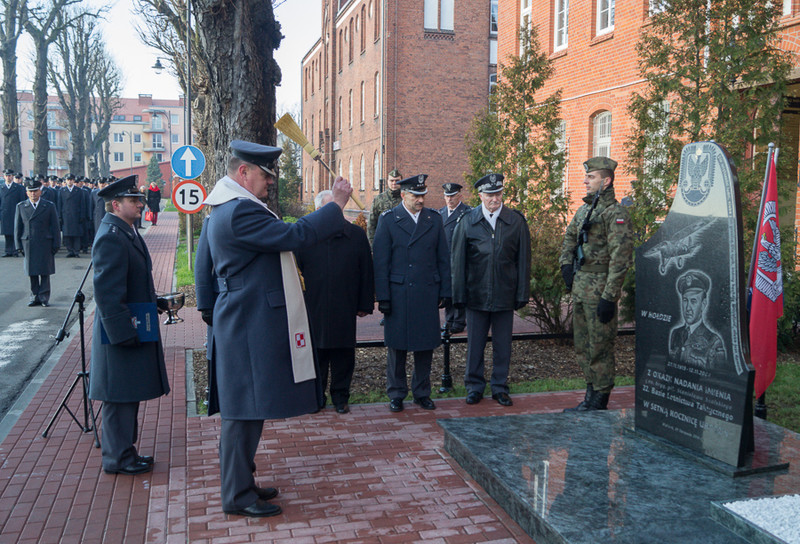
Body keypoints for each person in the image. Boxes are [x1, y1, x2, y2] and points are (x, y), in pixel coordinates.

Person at [195, 140, 353, 518]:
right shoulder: (239, 212)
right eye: (265, 175)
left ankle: (243, 483)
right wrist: (335, 206)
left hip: (241, 320)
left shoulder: (224, 207)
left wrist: (209, 309)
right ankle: (236, 495)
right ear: (243, 172)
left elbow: (205, 264)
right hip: (247, 323)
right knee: (241, 414)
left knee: (248, 409)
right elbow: (294, 235)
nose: (270, 182)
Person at [89, 175, 170, 475]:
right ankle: (117, 459)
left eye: (138, 199)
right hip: (118, 332)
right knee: (118, 398)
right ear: (115, 205)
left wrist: (157, 302)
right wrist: (124, 334)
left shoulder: (126, 231)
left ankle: (126, 453)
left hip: (128, 325)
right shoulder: (112, 236)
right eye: (133, 200)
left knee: (127, 395)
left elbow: (132, 282)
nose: (139, 203)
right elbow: (108, 295)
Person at [559, 157, 634, 411]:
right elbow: (569, 238)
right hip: (581, 288)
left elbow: (620, 258)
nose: (585, 181)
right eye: (586, 177)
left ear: (607, 180)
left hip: (600, 290)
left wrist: (609, 297)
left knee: (600, 346)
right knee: (583, 345)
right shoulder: (584, 210)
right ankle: (589, 397)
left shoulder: (616, 214)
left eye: (591, 177)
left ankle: (599, 402)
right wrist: (566, 266)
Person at [451, 173, 531, 407]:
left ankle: (499, 387)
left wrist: (522, 293)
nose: (494, 198)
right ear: (480, 195)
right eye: (489, 194)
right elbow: (458, 262)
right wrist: (459, 294)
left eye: (497, 193)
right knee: (474, 344)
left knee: (503, 345)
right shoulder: (467, 221)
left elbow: (524, 260)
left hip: (505, 294)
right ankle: (474, 387)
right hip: (476, 295)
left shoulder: (515, 221)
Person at [373, 174, 451, 413]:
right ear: (404, 195)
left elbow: (442, 258)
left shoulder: (433, 219)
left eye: (423, 195)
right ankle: (396, 393)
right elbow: (381, 261)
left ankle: (421, 392)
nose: (421, 200)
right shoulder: (388, 219)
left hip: (426, 290)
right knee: (397, 347)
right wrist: (383, 297)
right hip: (399, 293)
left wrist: (446, 290)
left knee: (424, 346)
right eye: (416, 196)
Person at [295, 190, 375, 414]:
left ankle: (341, 397)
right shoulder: (306, 237)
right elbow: (295, 270)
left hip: (344, 305)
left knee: (343, 355)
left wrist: (364, 304)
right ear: (318, 212)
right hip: (314, 305)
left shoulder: (356, 235)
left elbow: (366, 272)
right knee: (316, 354)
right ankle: (316, 396)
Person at [14, 178, 60, 306]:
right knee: (32, 272)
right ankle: (34, 297)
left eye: (35, 191)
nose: (33, 194)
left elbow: (55, 226)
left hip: (45, 242)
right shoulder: (21, 206)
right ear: (26, 193)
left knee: (45, 272)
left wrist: (56, 243)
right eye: (30, 191)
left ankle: (44, 297)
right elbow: (18, 227)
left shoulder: (49, 205)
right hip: (29, 243)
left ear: (40, 191)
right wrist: (18, 245)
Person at [669, 270, 726, 370]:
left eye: (693, 301)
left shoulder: (713, 341)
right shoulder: (676, 334)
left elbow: (719, 379)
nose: (688, 308)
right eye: (685, 300)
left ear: (703, 304)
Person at [438, 182, 471, 334]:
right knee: (448, 291)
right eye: (447, 196)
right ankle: (449, 320)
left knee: (459, 290)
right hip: (445, 260)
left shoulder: (467, 213)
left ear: (460, 196)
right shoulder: (440, 214)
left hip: (460, 259)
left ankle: (459, 321)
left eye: (452, 196)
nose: (449, 199)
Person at [367, 168, 402, 244]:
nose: (394, 183)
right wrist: (372, 245)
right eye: (391, 180)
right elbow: (371, 224)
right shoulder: (379, 199)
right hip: (383, 241)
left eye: (397, 180)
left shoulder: (406, 198)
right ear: (387, 181)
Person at [0, 168, 26, 256]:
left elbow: (22, 201)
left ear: (12, 176)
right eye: (6, 176)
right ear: (4, 177)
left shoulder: (19, 188)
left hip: (15, 212)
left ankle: (15, 250)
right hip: (5, 213)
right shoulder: (1, 187)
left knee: (15, 232)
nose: (8, 177)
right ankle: (8, 251)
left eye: (10, 176)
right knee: (7, 234)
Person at [60, 173, 85, 257]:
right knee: (67, 234)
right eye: (68, 180)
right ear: (66, 181)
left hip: (76, 215)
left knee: (76, 234)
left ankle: (76, 251)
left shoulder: (78, 190)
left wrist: (82, 215)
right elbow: (59, 204)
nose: (69, 181)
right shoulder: (62, 191)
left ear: (74, 181)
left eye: (71, 180)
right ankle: (70, 250)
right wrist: (59, 216)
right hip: (66, 215)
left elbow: (82, 204)